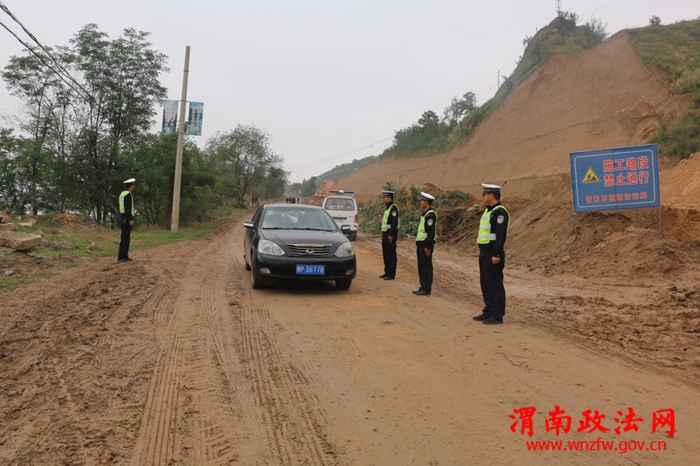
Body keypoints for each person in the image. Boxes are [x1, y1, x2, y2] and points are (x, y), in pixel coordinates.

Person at [473, 183, 511, 325]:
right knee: (486, 283)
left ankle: (497, 315)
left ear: (491, 195)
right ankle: (488, 311)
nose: (483, 196)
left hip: (493, 253)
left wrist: (496, 254)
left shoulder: (500, 212)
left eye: (484, 194)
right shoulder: (489, 211)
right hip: (484, 252)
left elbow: (500, 236)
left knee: (495, 284)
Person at [413, 192, 437, 296]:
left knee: (426, 267)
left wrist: (428, 246)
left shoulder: (430, 215)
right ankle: (423, 286)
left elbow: (430, 233)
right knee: (421, 266)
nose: (420, 203)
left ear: (426, 202)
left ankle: (427, 288)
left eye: (421, 201)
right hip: (421, 243)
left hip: (425, 244)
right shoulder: (425, 214)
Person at [379, 190, 399, 280]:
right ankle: (387, 272)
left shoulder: (393, 208)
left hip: (390, 234)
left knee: (391, 254)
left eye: (384, 197)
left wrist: (391, 234)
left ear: (389, 197)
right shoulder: (388, 208)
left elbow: (394, 223)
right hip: (385, 233)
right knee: (386, 254)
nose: (383, 199)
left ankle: (391, 274)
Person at [118, 178, 136, 263]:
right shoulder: (128, 194)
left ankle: (124, 256)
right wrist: (130, 219)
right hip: (126, 219)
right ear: (131, 186)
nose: (134, 186)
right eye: (133, 185)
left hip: (122, 218)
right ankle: (122, 257)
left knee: (124, 238)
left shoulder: (122, 194)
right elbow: (127, 208)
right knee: (125, 239)